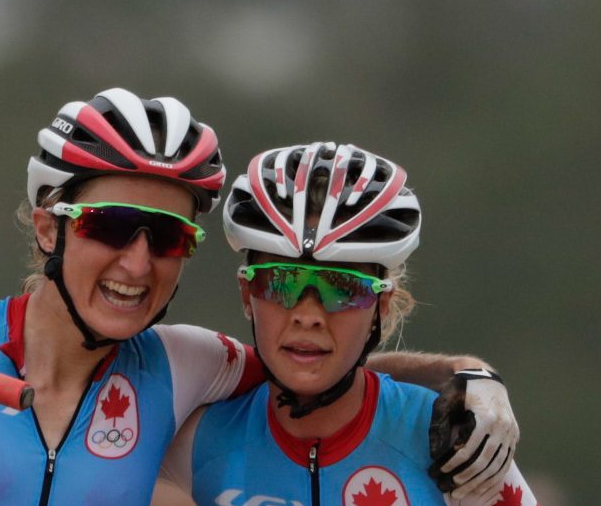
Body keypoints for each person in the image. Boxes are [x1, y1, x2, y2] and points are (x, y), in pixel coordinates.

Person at [0, 89, 516, 505]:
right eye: (112, 225)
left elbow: (315, 361)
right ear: (49, 225)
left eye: (167, 238)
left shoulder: (185, 364)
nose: (137, 261)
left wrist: (470, 377)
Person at [154, 142, 535, 505]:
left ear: (381, 306)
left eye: (342, 288)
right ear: (246, 293)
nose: (308, 316)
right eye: (281, 282)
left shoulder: (456, 442)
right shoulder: (194, 443)